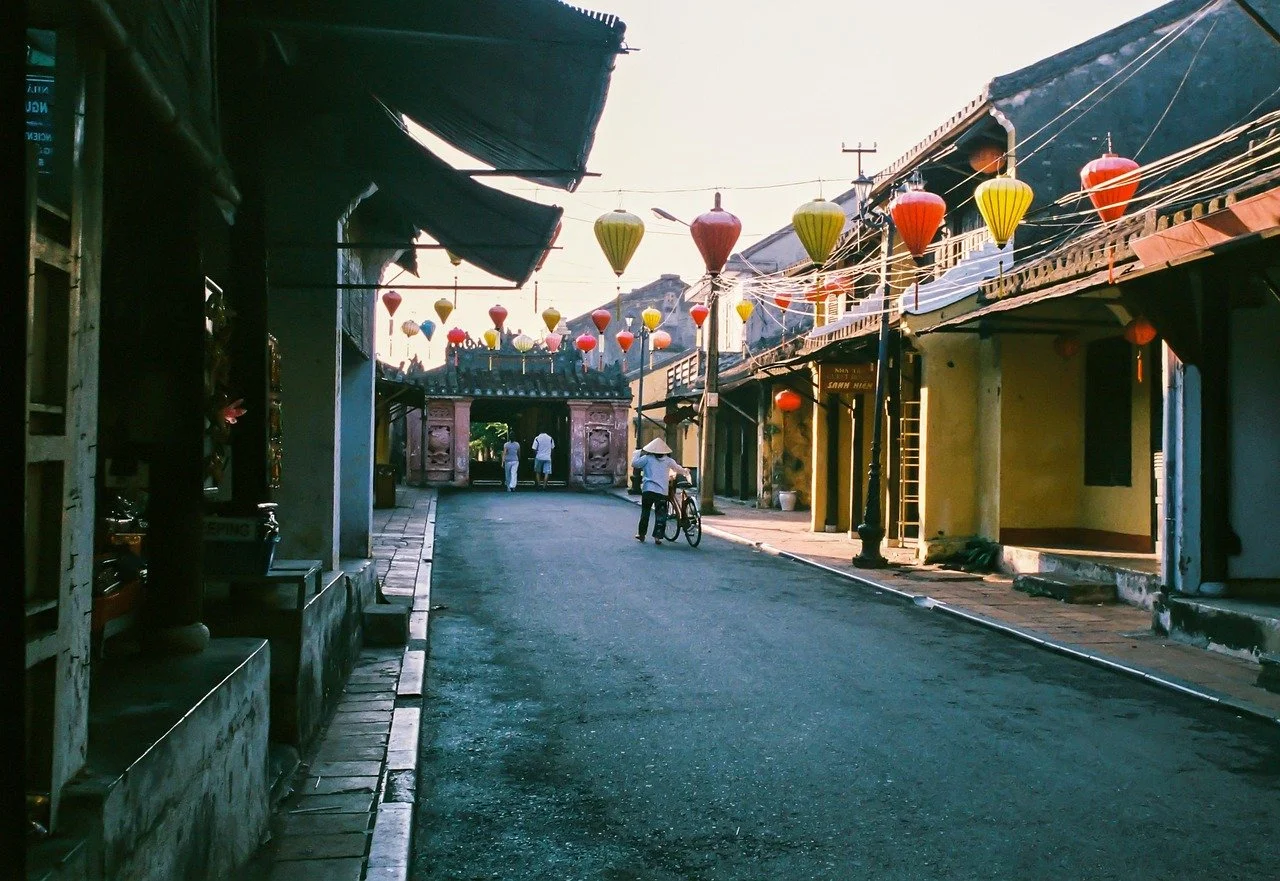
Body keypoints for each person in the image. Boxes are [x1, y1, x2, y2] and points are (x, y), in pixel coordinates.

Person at [631, 438, 690, 546]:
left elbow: (635, 463)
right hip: (661, 491)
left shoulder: (647, 458)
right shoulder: (668, 460)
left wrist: (637, 452)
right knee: (661, 515)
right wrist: (685, 471)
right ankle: (657, 537)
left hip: (648, 490)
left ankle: (641, 534)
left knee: (645, 513)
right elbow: (677, 469)